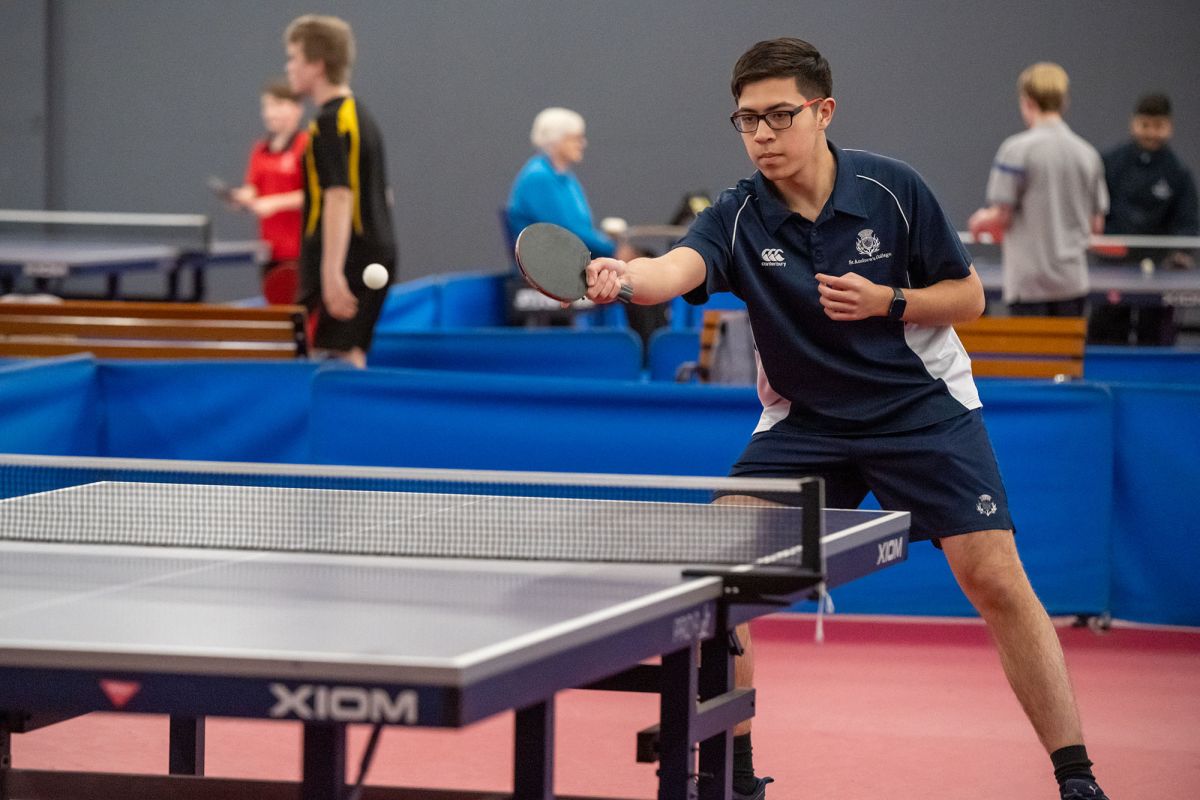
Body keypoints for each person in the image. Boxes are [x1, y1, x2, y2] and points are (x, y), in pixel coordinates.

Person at [585, 38, 1111, 800]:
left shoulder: (893, 190)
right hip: (807, 423)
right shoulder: (737, 216)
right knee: (714, 580)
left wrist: (887, 301)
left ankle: (1077, 777)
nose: (762, 135)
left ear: (822, 111)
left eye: (778, 116)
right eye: (746, 120)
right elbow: (675, 272)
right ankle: (731, 778)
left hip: (920, 407)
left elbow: (969, 297)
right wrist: (624, 275)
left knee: (994, 576)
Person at [284, 14, 395, 367]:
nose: (289, 68)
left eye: (294, 58)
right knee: (344, 353)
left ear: (317, 65)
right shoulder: (360, 115)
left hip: (349, 259)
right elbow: (385, 194)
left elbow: (339, 195)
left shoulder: (330, 122)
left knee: (338, 356)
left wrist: (331, 273)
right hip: (369, 252)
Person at [968, 62, 1108, 317]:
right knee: (1069, 356)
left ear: (1027, 101)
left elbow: (1002, 216)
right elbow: (1095, 226)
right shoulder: (1088, 155)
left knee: (1032, 357)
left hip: (1029, 285)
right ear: (1064, 101)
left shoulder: (1015, 150)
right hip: (1072, 282)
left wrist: (979, 222)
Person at [505, 108, 660, 330]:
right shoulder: (538, 178)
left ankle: (647, 351)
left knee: (643, 276)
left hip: (576, 263)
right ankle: (643, 354)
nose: (582, 143)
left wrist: (611, 248)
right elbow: (567, 233)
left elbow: (580, 228)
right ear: (556, 140)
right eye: (575, 138)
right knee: (632, 288)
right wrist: (613, 250)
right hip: (553, 271)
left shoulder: (564, 178)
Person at [1093, 93, 1199, 344]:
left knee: (1155, 336)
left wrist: (1179, 255)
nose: (1151, 133)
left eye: (1158, 126)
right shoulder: (1111, 163)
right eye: (1145, 125)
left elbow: (1188, 222)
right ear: (1134, 123)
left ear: (1169, 127)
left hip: (1160, 272)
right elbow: (1095, 212)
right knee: (1107, 332)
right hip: (1113, 266)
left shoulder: (1178, 172)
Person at [230, 78, 308, 305]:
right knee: (277, 312)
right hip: (269, 249)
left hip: (300, 251)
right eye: (266, 106)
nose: (270, 112)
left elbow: (317, 193)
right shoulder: (260, 149)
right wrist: (242, 198)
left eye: (278, 105)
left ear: (297, 109)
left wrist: (274, 203)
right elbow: (252, 189)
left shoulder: (307, 144)